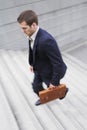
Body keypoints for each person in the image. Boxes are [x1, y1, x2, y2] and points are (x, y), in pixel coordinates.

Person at [17, 10, 68, 106]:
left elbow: (57, 63)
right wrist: (32, 64)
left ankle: (63, 91)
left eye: (24, 28)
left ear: (33, 25)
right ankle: (44, 97)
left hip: (50, 71)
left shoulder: (46, 40)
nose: (22, 31)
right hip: (39, 67)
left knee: (53, 87)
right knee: (36, 87)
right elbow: (34, 50)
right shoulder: (31, 34)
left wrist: (54, 82)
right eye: (21, 28)